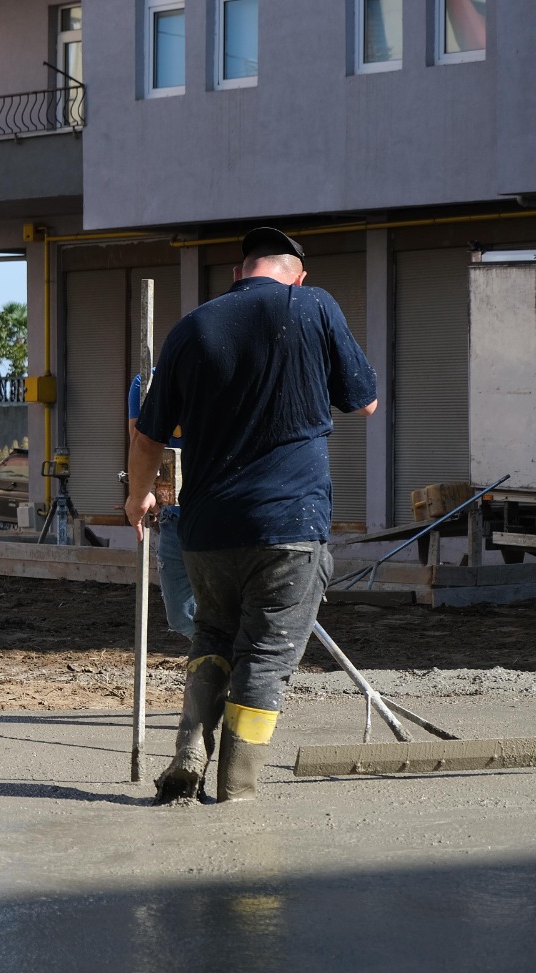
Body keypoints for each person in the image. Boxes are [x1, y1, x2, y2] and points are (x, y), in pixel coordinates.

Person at [125, 227, 379, 804]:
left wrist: (140, 495)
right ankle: (236, 789)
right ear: (298, 275)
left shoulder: (191, 327)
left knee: (211, 633)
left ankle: (190, 745)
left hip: (208, 529)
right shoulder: (313, 306)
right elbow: (365, 400)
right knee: (264, 658)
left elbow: (147, 437)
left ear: (239, 274)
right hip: (290, 528)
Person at [128, 373, 195, 640]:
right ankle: (224, 665)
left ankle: (234, 673)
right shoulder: (147, 383)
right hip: (174, 517)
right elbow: (140, 443)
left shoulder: (233, 372)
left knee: (225, 610)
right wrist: (141, 492)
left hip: (223, 515)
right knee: (182, 616)